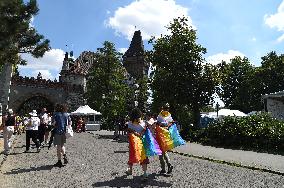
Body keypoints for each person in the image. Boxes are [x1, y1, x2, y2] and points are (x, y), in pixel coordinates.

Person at [125, 108, 149, 181]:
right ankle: (145, 173)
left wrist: (134, 133)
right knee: (143, 158)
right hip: (142, 143)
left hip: (133, 143)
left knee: (132, 156)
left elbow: (128, 132)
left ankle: (130, 170)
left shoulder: (129, 123)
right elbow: (145, 132)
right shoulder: (143, 123)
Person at [156, 103, 174, 175]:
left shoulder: (160, 115)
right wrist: (167, 126)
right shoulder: (169, 115)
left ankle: (165, 168)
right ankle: (166, 166)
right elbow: (171, 123)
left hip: (161, 135)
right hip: (166, 135)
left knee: (161, 153)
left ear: (162, 108)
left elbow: (158, 124)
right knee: (164, 151)